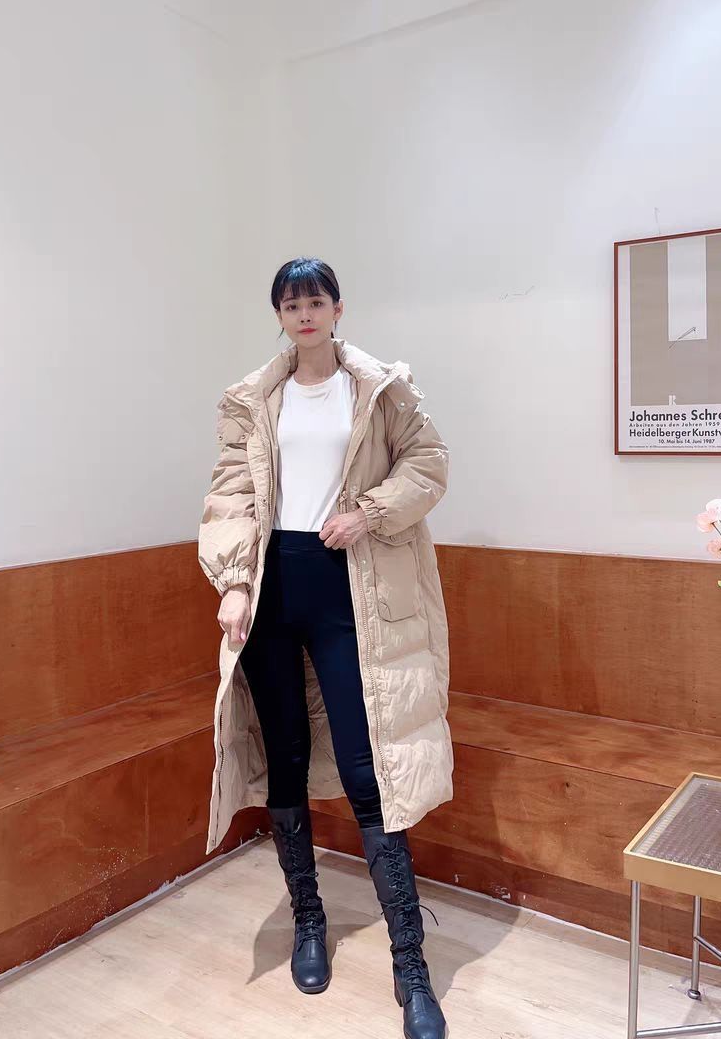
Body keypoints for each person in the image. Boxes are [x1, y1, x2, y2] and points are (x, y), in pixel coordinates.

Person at [198, 257, 452, 1039]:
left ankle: (411, 963)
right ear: (279, 316)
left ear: (338, 308)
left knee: (369, 765)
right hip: (274, 588)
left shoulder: (378, 388)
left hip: (353, 590)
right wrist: (233, 582)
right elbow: (231, 494)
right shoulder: (254, 398)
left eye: (314, 300)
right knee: (284, 754)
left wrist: (369, 512)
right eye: (290, 304)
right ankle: (308, 919)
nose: (303, 314)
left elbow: (429, 464)